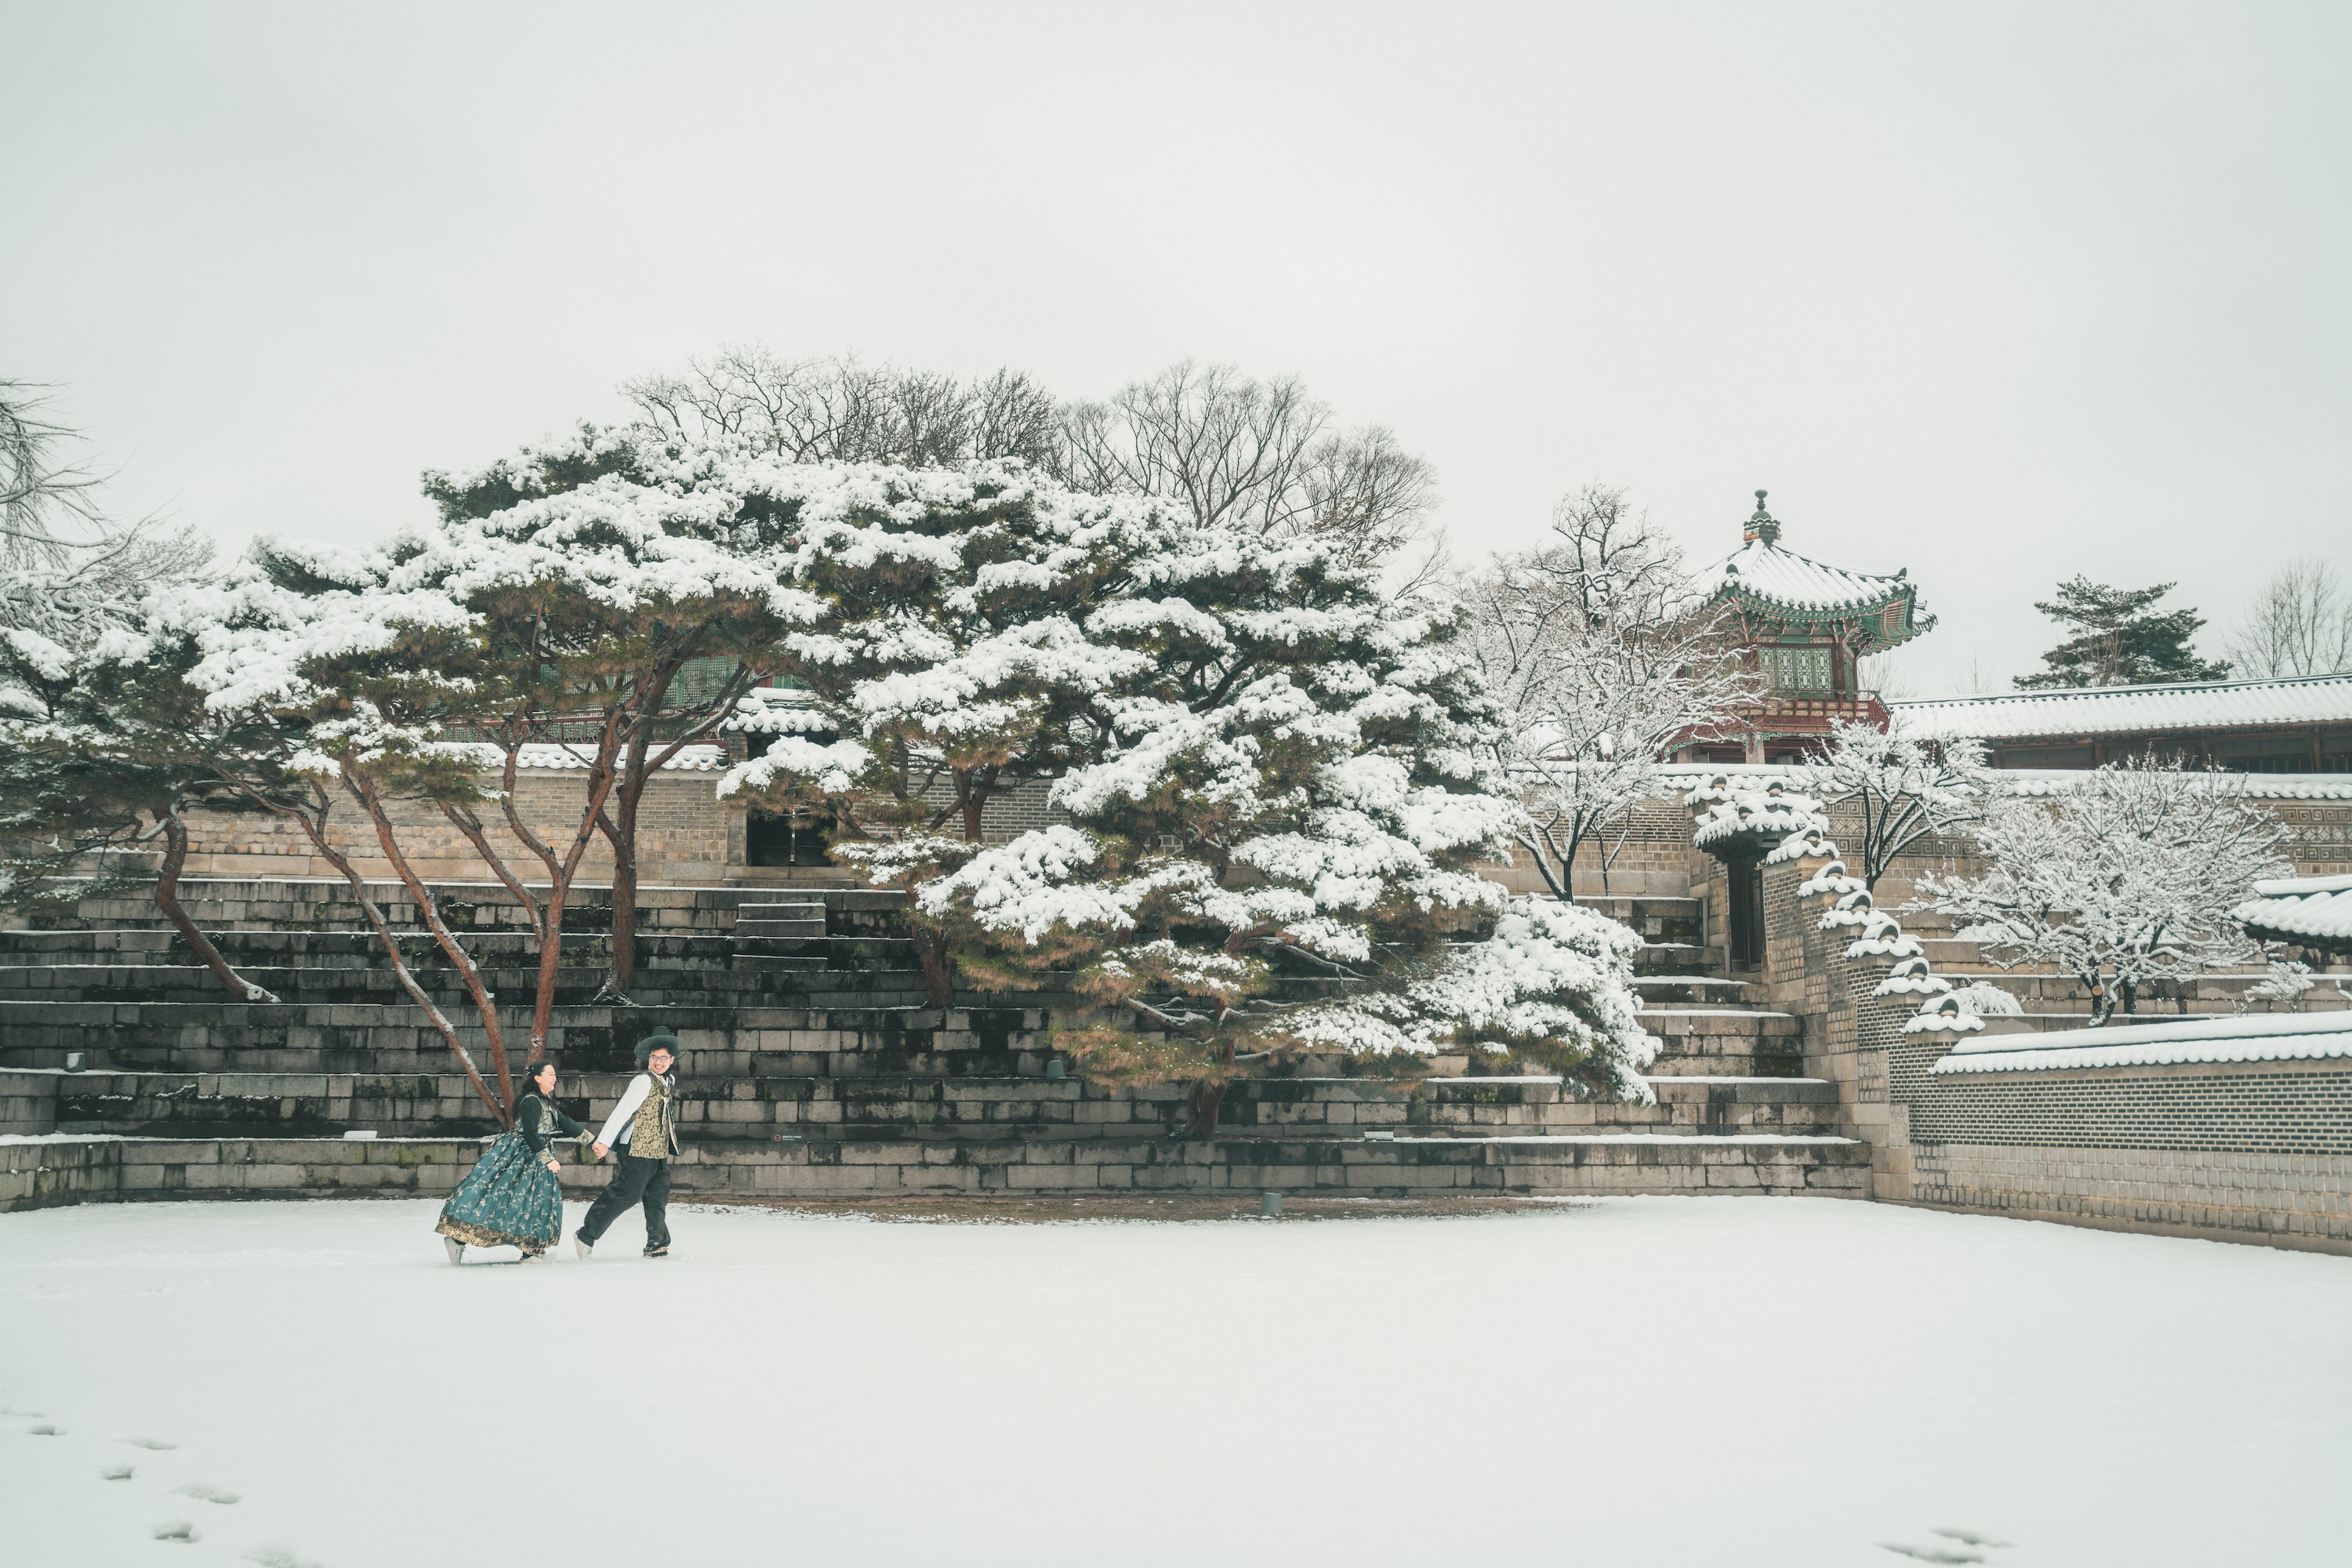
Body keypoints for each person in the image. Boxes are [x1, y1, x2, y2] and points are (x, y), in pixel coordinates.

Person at [435, 1059, 587, 1265]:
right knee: (499, 1197)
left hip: (536, 1158)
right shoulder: (531, 1101)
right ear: (537, 1078)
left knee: (536, 1201)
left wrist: (593, 1142)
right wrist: (548, 1159)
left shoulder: (545, 1101)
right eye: (550, 1074)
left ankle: (531, 1251)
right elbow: (530, 1133)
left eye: (554, 1074)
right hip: (521, 1157)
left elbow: (565, 1123)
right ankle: (457, 1239)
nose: (555, 1078)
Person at [573, 1031, 681, 1260]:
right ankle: (587, 1234)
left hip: (658, 1149)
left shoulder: (669, 1081)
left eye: (663, 1058)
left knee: (657, 1197)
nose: (658, 1062)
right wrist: (603, 1142)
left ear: (672, 1060)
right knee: (628, 1193)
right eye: (654, 1057)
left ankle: (657, 1243)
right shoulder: (642, 1081)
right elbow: (622, 1111)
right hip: (635, 1148)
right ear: (648, 1059)